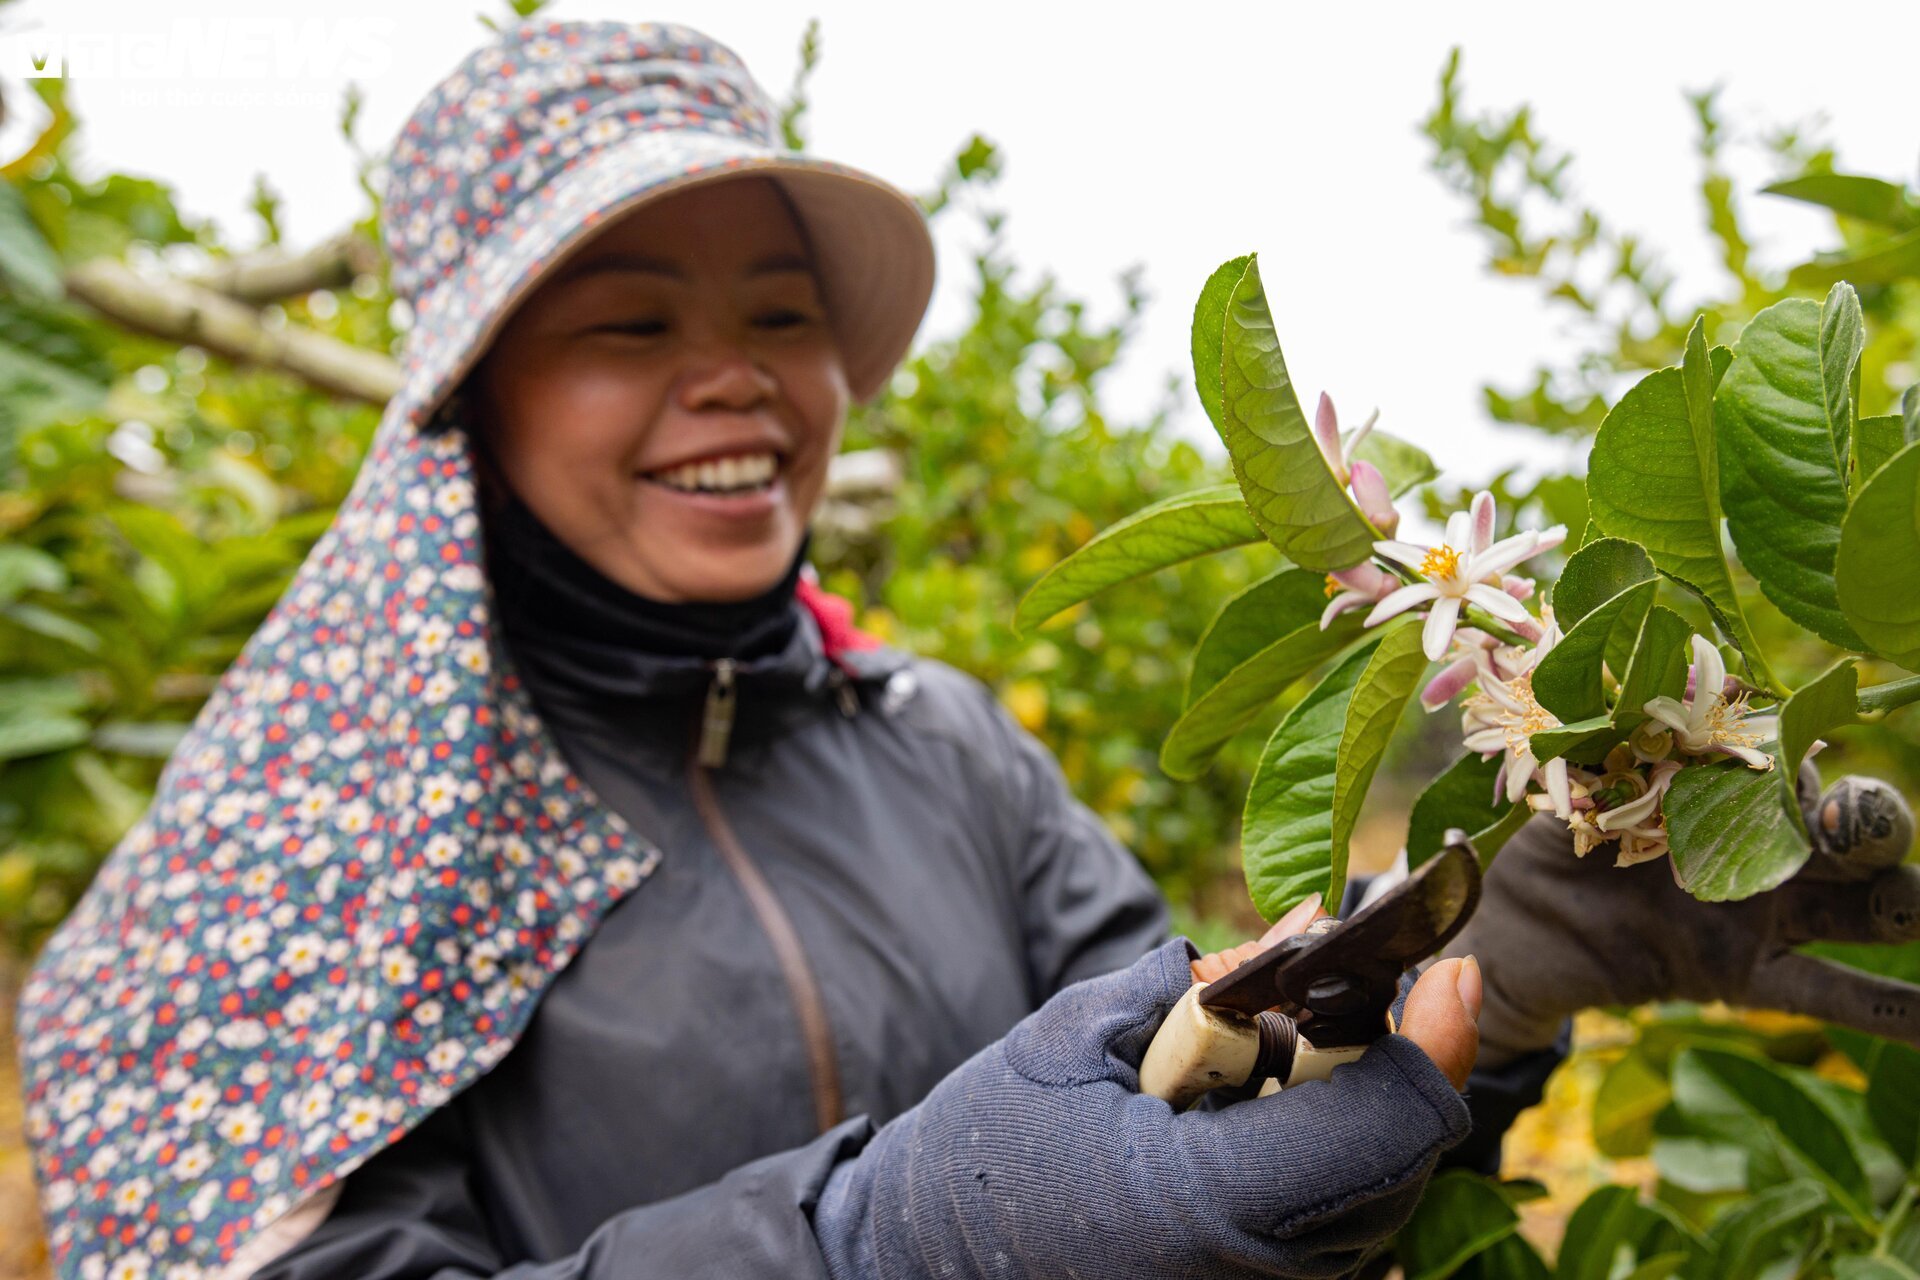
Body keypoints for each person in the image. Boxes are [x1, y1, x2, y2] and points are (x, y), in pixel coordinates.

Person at [15, 19, 1918, 1280]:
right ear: (471, 401)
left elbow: (1207, 1099)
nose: (735, 379)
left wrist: (1479, 992)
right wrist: (881, 1245)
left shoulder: (944, 744)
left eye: (780, 314)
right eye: (626, 324)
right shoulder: (312, 835)